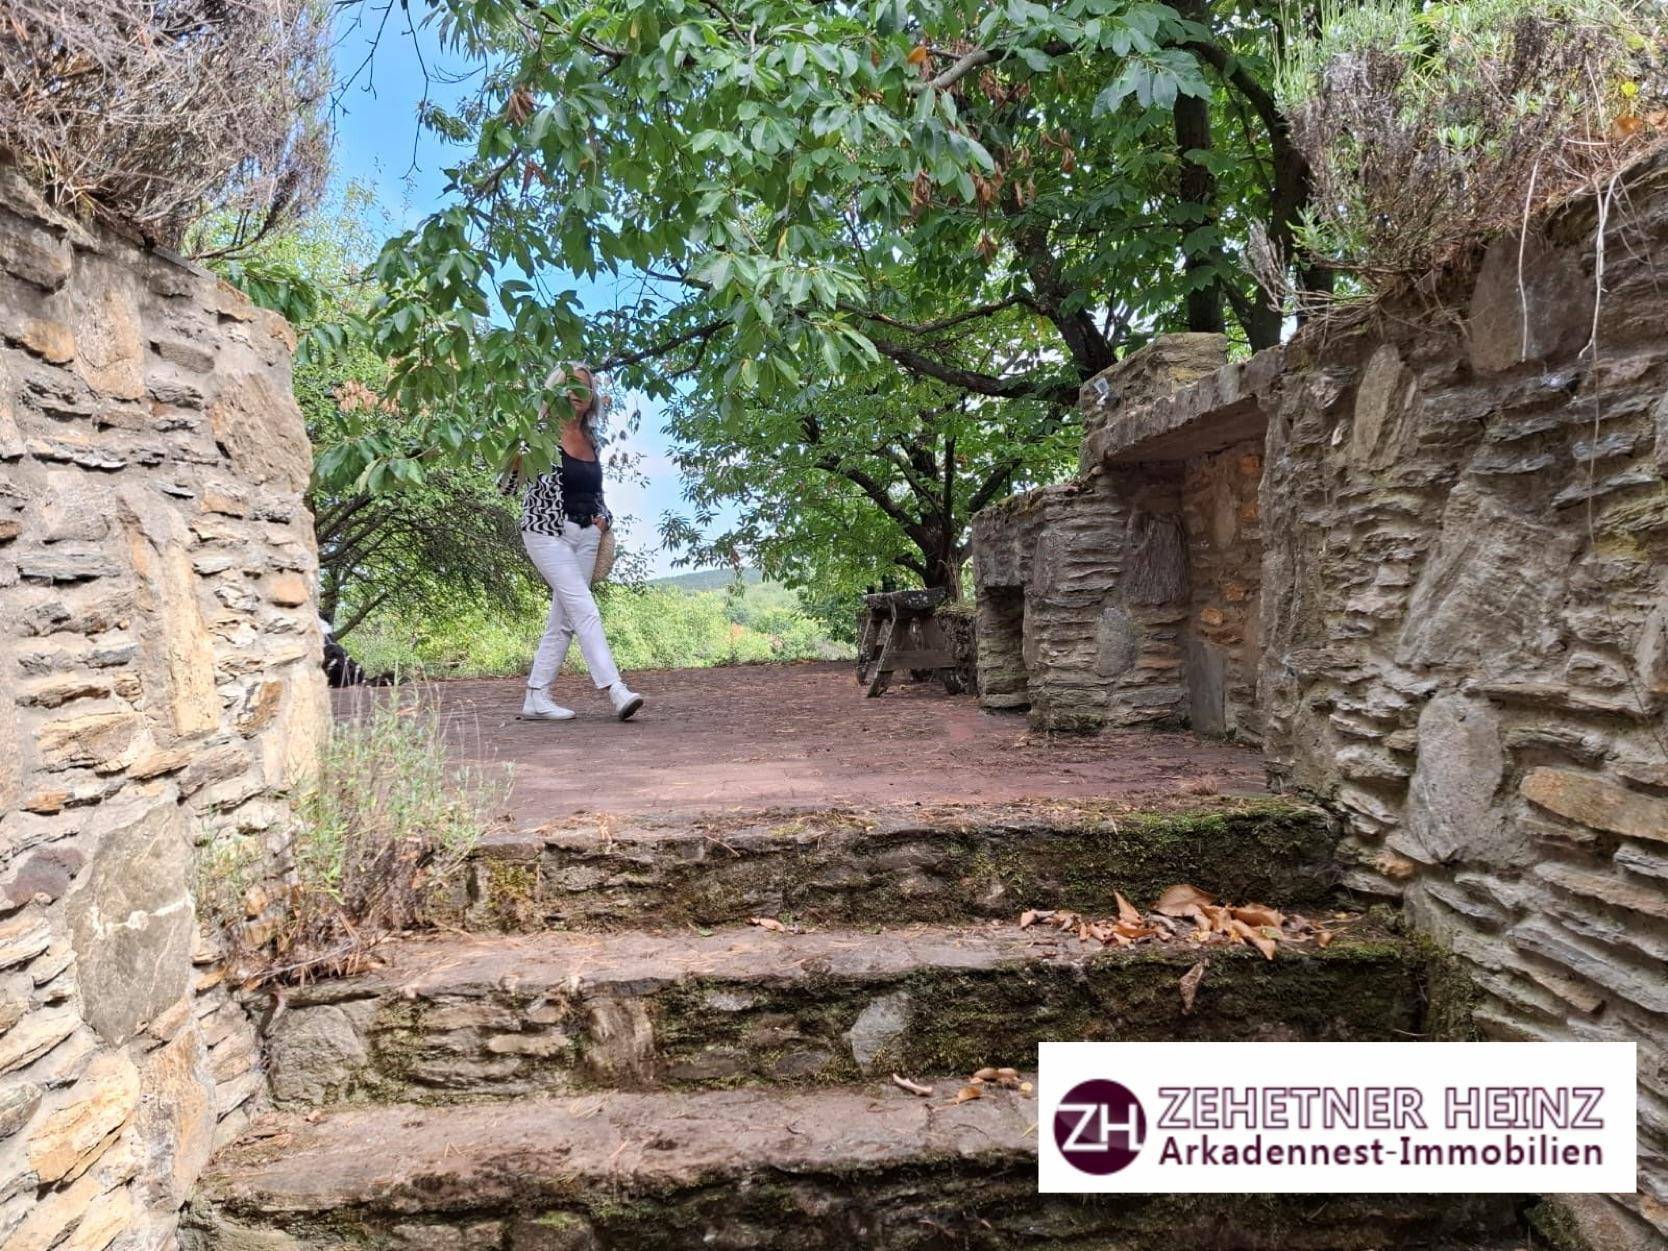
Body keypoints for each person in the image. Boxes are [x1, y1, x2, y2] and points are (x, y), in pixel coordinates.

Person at [507, 364, 644, 722]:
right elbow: (505, 487)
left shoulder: (592, 438)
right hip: (546, 532)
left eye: (584, 387)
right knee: (584, 609)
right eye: (569, 386)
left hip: (586, 536)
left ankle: (537, 696)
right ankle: (616, 691)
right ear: (554, 390)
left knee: (565, 619)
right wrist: (518, 455)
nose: (576, 393)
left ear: (591, 396)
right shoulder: (537, 434)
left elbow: (594, 492)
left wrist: (604, 519)